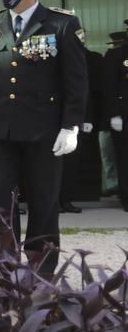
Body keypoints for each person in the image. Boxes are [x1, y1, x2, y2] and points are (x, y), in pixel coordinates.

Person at [0, 0, 87, 270]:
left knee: (44, 203)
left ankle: (40, 276)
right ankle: (5, 275)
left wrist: (70, 126)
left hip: (43, 131)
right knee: (2, 207)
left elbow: (75, 80)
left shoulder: (61, 24)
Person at [59, 26, 100, 213]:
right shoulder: (54, 57)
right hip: (51, 117)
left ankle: (66, 199)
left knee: (71, 163)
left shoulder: (86, 58)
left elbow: (85, 92)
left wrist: (87, 117)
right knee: (50, 165)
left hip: (74, 117)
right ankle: (53, 202)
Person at [107, 23, 128, 211]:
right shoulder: (117, 55)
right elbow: (110, 87)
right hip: (124, 114)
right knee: (124, 158)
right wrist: (114, 114)